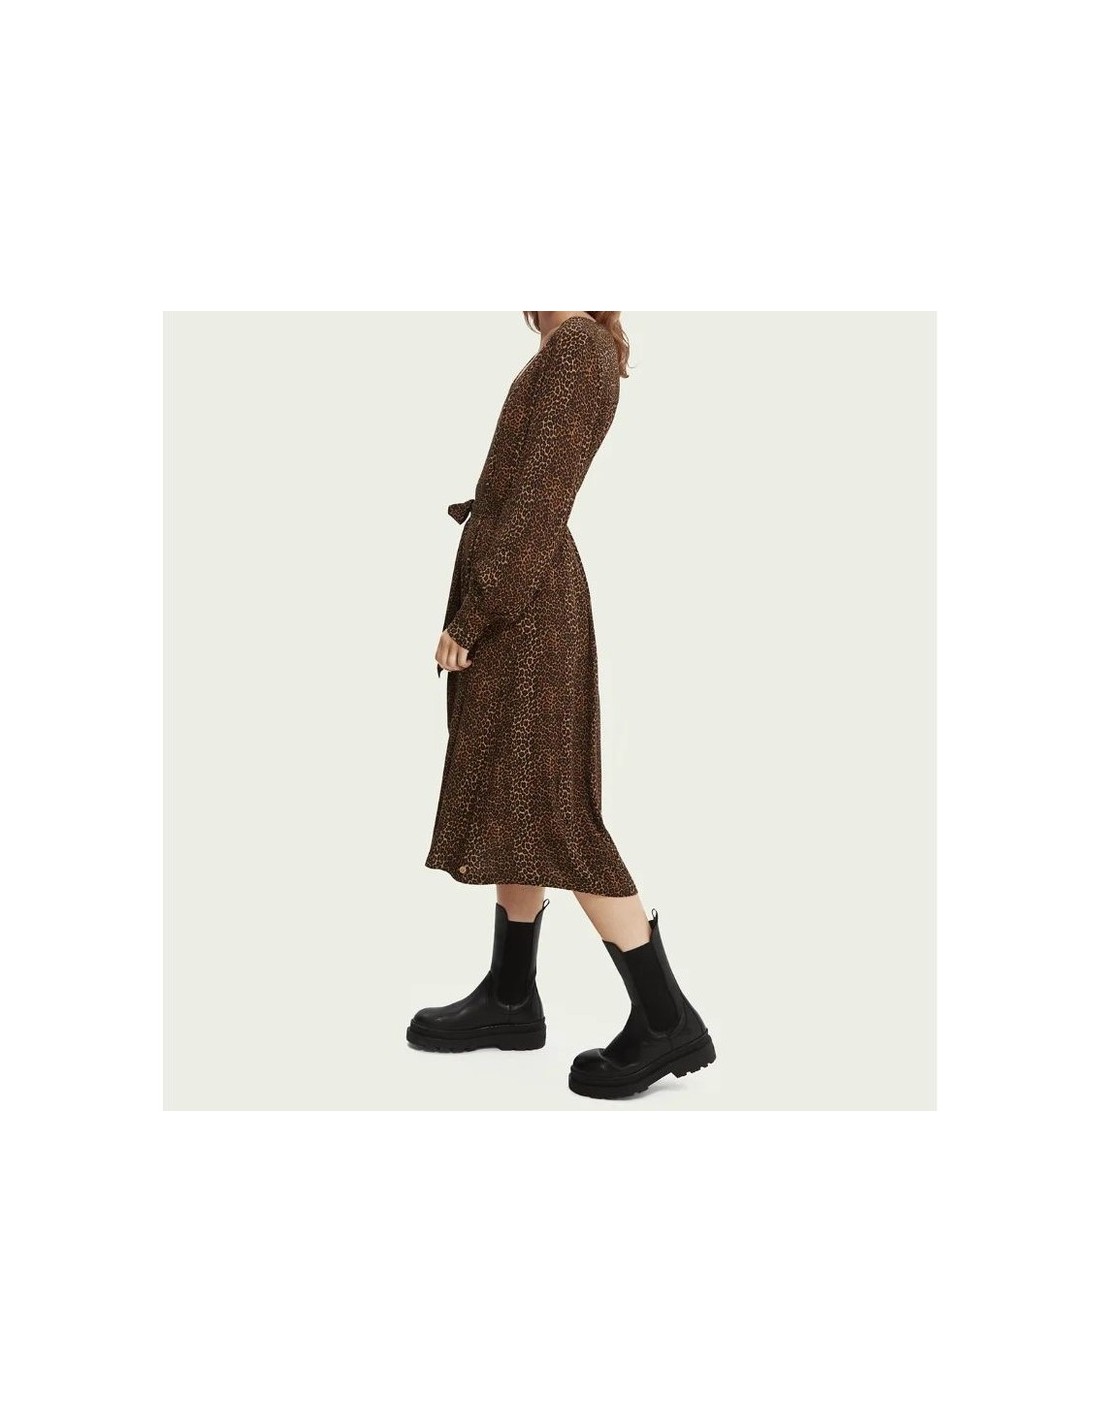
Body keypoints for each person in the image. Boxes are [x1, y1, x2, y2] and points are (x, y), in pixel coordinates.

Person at [410, 311, 715, 1099]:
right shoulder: (562, 346)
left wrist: (476, 613)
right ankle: (511, 997)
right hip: (523, 598)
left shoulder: (576, 346)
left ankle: (666, 1018)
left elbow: (540, 501)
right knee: (518, 799)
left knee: (557, 811)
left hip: (527, 609)